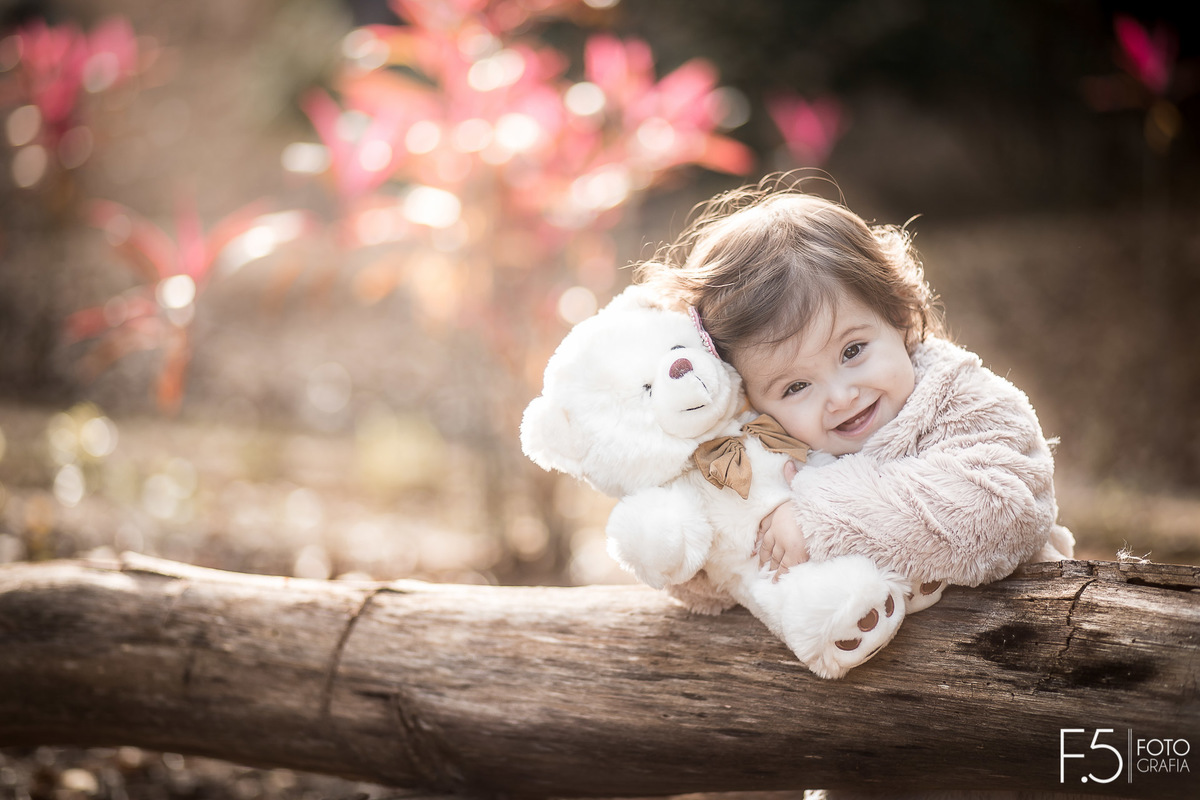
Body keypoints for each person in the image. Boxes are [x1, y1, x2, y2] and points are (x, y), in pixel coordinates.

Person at [637, 177, 1074, 589]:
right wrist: (684, 555)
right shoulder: (770, 453)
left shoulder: (964, 400)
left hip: (1018, 644)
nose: (842, 397)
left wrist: (815, 519)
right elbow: (728, 576)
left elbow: (1003, 513)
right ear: (745, 398)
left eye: (852, 352)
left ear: (899, 314)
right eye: (796, 387)